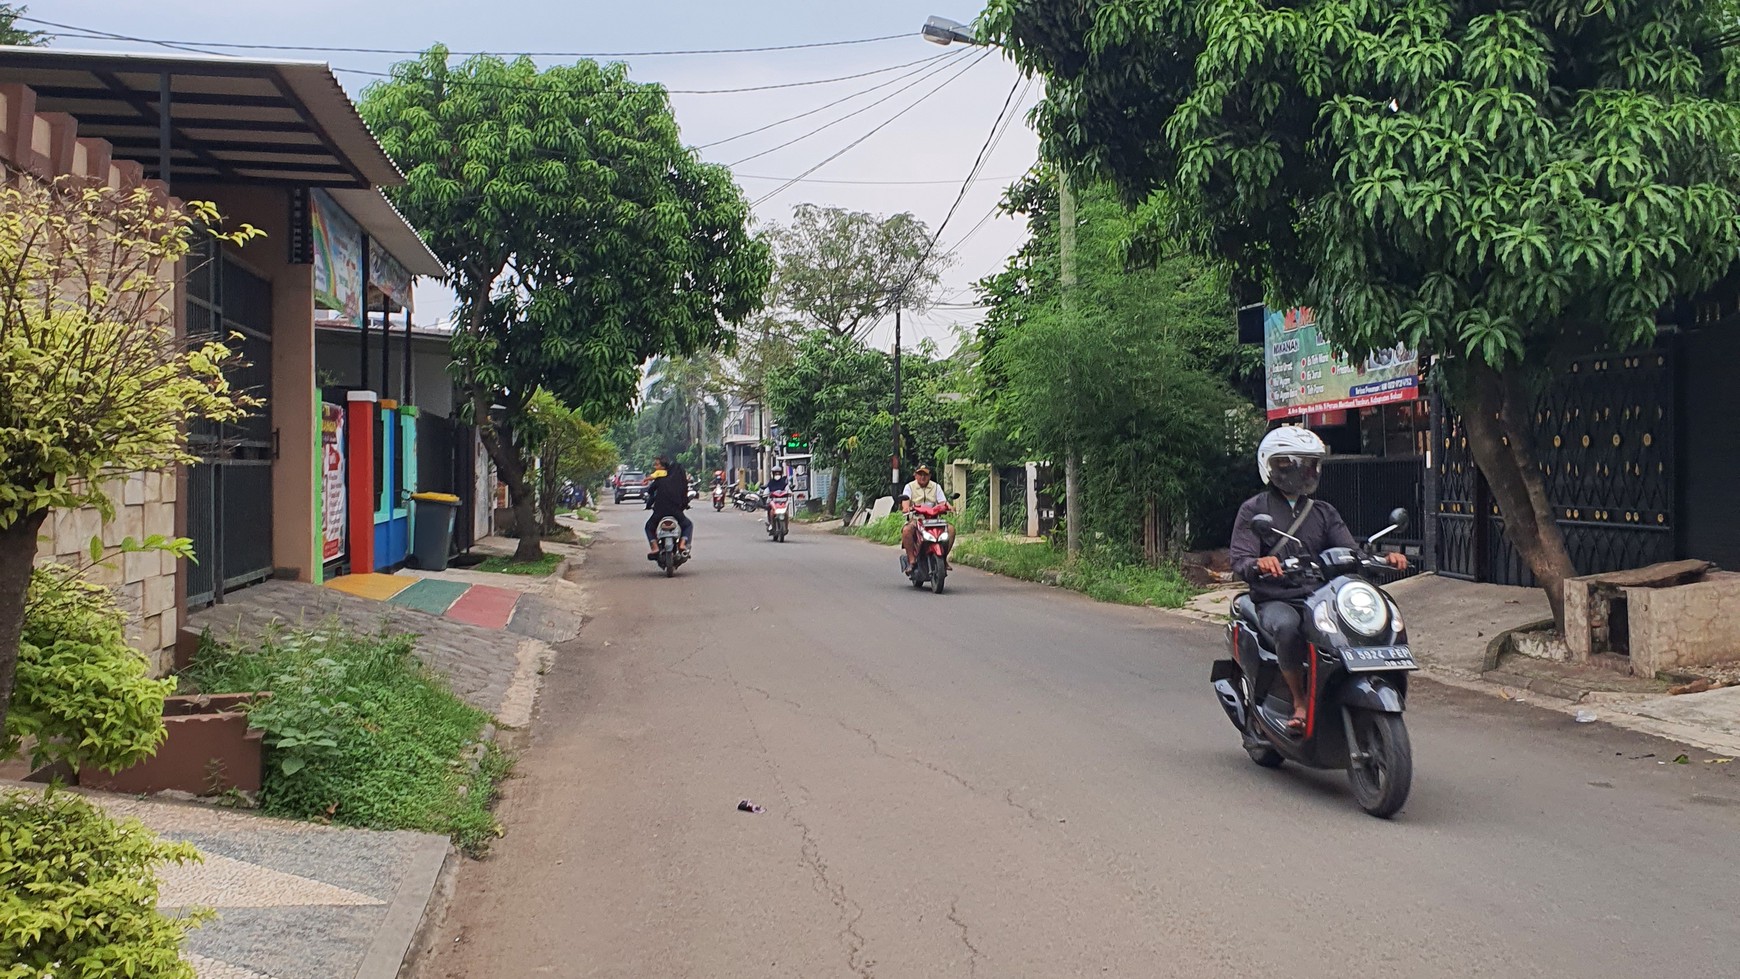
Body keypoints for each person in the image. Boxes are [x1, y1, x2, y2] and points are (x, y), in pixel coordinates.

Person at [1229, 427, 1408, 732]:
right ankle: (1299, 701)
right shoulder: (1254, 510)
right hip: (1277, 597)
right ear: (1273, 466)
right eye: (1295, 463)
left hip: (1321, 595)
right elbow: (1240, 560)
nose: (1306, 471)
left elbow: (1349, 551)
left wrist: (1384, 558)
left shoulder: (1323, 511)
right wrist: (1261, 562)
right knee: (1288, 628)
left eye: (1311, 463)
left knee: (1359, 627)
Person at [898, 465, 949, 569]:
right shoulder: (909, 487)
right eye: (920, 474)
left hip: (934, 520)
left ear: (930, 476)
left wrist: (948, 507)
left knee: (951, 530)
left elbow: (943, 502)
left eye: (925, 474)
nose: (922, 477)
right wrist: (907, 508)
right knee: (906, 530)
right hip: (917, 519)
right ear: (915, 475)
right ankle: (912, 560)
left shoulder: (936, 487)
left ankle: (944, 559)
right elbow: (905, 503)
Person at [645, 456, 694, 558]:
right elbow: (683, 494)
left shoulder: (658, 479)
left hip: (660, 511)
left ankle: (655, 547)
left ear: (663, 466)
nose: (655, 466)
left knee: (649, 527)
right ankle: (682, 544)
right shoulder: (677, 479)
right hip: (675, 510)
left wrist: (649, 504)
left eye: (657, 464)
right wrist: (685, 505)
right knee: (688, 525)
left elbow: (650, 492)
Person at [762, 467, 790, 531]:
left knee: (786, 512)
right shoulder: (771, 482)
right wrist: (765, 494)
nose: (777, 475)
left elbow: (787, 489)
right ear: (773, 474)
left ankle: (786, 526)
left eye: (778, 473)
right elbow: (767, 490)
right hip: (773, 501)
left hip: (782, 501)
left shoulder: (783, 482)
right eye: (776, 474)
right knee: (769, 510)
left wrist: (790, 493)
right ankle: (770, 523)